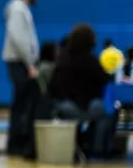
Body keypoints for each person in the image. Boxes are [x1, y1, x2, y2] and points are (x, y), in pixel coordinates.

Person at [49, 24, 116, 158]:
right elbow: (105, 78)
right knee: (109, 111)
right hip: (81, 106)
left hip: (61, 105)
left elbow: (52, 86)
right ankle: (97, 148)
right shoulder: (90, 60)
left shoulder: (62, 58)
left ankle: (81, 142)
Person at [3, 0, 40, 157]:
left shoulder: (21, 8)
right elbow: (18, 38)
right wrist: (30, 63)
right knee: (21, 105)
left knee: (23, 103)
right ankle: (16, 144)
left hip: (22, 62)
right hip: (20, 62)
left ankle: (19, 142)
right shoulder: (18, 9)